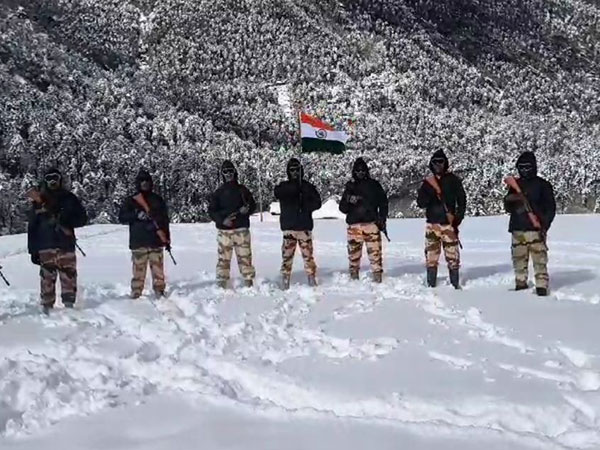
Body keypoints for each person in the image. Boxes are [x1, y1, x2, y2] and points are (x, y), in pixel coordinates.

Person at [27, 167, 87, 311]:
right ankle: (47, 309)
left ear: (60, 179)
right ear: (45, 181)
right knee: (46, 279)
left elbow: (82, 219)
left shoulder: (69, 198)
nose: (52, 181)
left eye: (55, 177)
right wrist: (33, 250)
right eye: (49, 178)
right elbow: (32, 227)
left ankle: (69, 308)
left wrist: (66, 220)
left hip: (66, 244)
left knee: (69, 276)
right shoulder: (38, 201)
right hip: (45, 245)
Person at [504, 151, 556, 296]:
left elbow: (550, 208)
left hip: (535, 229)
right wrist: (513, 200)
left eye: (527, 167)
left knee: (540, 260)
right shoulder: (515, 185)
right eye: (521, 167)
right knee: (518, 260)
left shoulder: (543, 185)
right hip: (517, 229)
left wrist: (544, 224)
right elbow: (507, 207)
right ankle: (520, 284)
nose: (524, 170)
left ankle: (541, 287)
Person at [416, 150, 466, 289]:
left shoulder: (453, 180)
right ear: (431, 164)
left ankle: (455, 285)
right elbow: (420, 203)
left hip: (449, 224)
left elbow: (462, 201)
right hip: (432, 224)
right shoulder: (428, 183)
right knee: (431, 257)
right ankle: (431, 285)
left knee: (453, 257)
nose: (438, 165)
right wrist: (430, 194)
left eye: (441, 162)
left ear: (445, 163)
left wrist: (457, 219)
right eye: (435, 162)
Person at [118, 170, 170, 299]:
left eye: (147, 181)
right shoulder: (131, 201)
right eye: (142, 181)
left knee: (158, 271)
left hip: (155, 241)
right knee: (138, 272)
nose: (145, 183)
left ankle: (159, 291)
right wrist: (136, 215)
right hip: (138, 241)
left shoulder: (157, 200)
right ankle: (136, 292)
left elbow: (164, 220)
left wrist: (167, 239)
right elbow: (122, 217)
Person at [274, 158, 322, 289]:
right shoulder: (284, 186)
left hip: (304, 227)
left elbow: (317, 202)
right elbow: (277, 192)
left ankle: (311, 278)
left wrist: (306, 205)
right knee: (286, 257)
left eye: (297, 169)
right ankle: (285, 279)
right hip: (289, 227)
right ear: (288, 171)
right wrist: (294, 189)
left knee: (308, 256)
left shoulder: (307, 186)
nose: (295, 172)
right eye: (292, 170)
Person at [208, 160, 257, 288]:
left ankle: (249, 284)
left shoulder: (242, 190)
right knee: (223, 259)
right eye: (225, 171)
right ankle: (222, 284)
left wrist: (247, 210)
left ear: (234, 172)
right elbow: (212, 211)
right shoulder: (218, 192)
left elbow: (252, 205)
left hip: (241, 229)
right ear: (222, 174)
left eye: (230, 171)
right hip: (225, 231)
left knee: (245, 258)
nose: (228, 174)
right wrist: (222, 220)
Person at [339, 158, 388, 283]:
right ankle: (354, 278)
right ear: (354, 172)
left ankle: (377, 278)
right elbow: (342, 208)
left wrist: (382, 218)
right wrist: (349, 199)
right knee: (353, 256)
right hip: (354, 225)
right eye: (358, 170)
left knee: (375, 255)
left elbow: (383, 203)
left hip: (371, 223)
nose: (360, 173)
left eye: (362, 170)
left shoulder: (374, 185)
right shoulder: (350, 187)